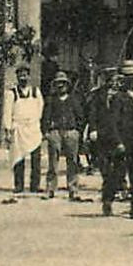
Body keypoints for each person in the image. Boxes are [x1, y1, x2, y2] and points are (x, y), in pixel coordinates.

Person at [97, 60, 133, 219]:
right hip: (122, 142)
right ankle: (107, 200)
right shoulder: (118, 98)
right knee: (117, 175)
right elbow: (111, 122)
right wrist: (117, 142)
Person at [42, 70, 87, 201]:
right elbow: (45, 117)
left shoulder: (74, 99)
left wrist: (77, 131)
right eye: (58, 84)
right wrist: (46, 132)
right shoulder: (51, 100)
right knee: (52, 162)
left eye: (63, 83)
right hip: (55, 132)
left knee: (72, 161)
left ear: (68, 85)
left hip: (71, 132)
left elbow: (81, 117)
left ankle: (73, 188)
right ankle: (50, 188)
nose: (61, 86)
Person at [3, 65, 44, 198]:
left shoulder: (35, 91)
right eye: (20, 75)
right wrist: (8, 130)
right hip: (18, 128)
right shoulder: (11, 93)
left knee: (36, 159)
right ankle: (18, 185)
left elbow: (40, 108)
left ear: (29, 76)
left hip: (33, 128)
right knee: (18, 158)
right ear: (17, 77)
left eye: (25, 75)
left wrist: (34, 121)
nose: (23, 77)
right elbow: (7, 112)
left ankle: (35, 185)